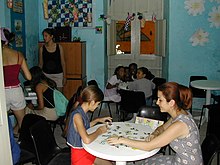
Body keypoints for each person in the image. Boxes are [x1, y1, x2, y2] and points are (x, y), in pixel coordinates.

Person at [108, 82, 203, 165]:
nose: (157, 102)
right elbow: (161, 128)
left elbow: (149, 146)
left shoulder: (180, 125)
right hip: (179, 160)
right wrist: (154, 134)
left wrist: (122, 140)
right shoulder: (179, 114)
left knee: (146, 160)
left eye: (160, 100)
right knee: (147, 160)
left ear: (172, 103)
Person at [66, 85, 113, 165]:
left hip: (86, 150)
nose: (97, 107)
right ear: (92, 102)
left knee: (109, 164)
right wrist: (99, 131)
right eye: (98, 104)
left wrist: (98, 120)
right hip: (79, 155)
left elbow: (84, 126)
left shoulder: (82, 111)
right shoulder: (77, 116)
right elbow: (87, 140)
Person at [1, 27, 32, 133]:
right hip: (16, 91)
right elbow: (29, 77)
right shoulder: (18, 55)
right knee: (21, 122)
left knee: (2, 124)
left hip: (2, 92)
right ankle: (22, 144)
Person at [38, 28, 66, 92]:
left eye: (46, 36)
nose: (44, 38)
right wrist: (39, 77)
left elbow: (63, 63)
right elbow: (40, 64)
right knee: (48, 94)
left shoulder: (59, 47)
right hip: (46, 75)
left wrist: (64, 77)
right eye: (43, 36)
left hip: (58, 75)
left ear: (51, 36)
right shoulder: (42, 49)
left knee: (59, 95)